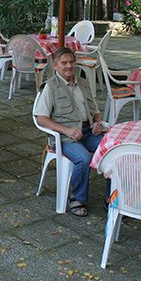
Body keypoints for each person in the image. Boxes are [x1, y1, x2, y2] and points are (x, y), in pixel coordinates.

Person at [33, 47, 109, 217]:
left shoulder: (83, 82)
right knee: (83, 158)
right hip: (64, 137)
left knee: (112, 149)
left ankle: (112, 198)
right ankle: (78, 198)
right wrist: (66, 130)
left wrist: (97, 122)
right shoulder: (51, 87)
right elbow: (41, 118)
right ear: (55, 65)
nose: (69, 66)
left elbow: (94, 109)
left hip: (88, 131)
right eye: (64, 62)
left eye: (71, 62)